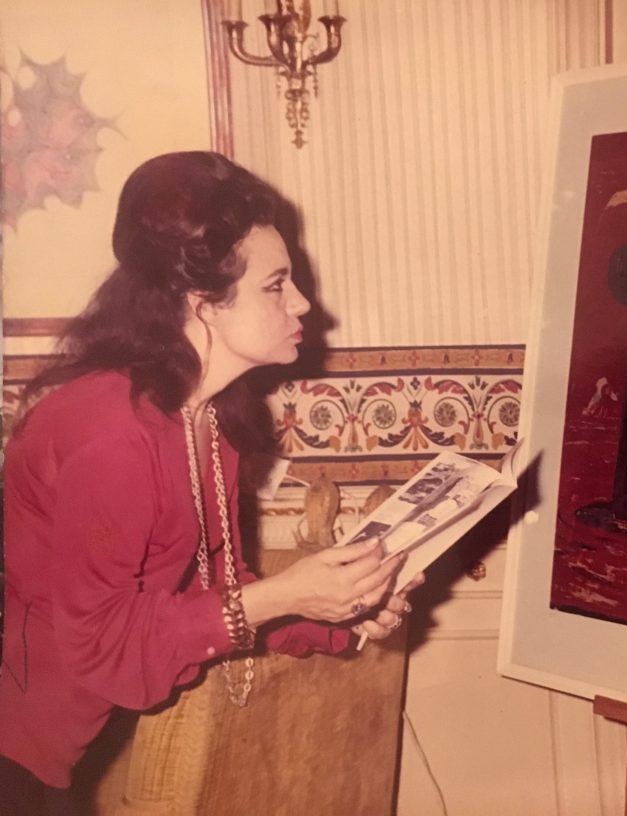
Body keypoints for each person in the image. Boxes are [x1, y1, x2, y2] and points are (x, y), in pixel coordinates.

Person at [0, 151, 421, 814]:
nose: (303, 302)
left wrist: (344, 612)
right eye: (276, 285)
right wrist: (286, 594)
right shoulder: (114, 435)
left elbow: (216, 591)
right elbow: (104, 646)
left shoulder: (206, 417)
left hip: (50, 749)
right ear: (204, 306)